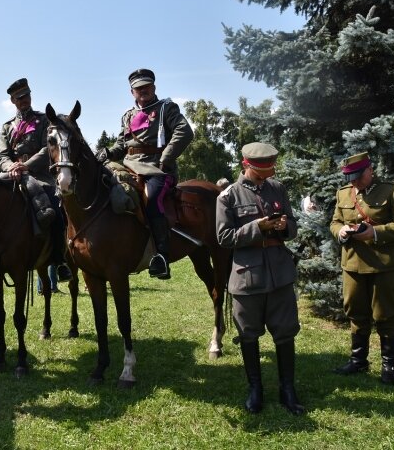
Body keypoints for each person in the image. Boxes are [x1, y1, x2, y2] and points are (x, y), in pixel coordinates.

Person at [215, 142, 305, 415]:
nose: (267, 174)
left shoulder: (278, 189)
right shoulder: (228, 196)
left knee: (285, 331)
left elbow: (293, 225)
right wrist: (257, 227)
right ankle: (256, 389)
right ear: (246, 165)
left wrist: (283, 226)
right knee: (249, 335)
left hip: (279, 272)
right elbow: (224, 238)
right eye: (261, 169)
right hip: (247, 276)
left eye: (269, 168)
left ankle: (287, 389)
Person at [97, 68, 193, 279]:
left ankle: (161, 256)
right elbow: (122, 145)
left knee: (151, 199)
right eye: (138, 88)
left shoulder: (166, 108)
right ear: (132, 92)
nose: (143, 90)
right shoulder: (128, 115)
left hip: (157, 169)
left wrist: (166, 157)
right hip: (129, 166)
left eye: (146, 86)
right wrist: (107, 152)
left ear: (154, 87)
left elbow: (184, 131)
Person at [330, 152, 394, 385]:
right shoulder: (343, 193)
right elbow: (335, 221)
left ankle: (389, 366)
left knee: (386, 314)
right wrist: (341, 232)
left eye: (358, 176)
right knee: (356, 312)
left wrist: (375, 232)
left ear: (370, 170)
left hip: (385, 265)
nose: (355, 182)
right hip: (353, 263)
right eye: (351, 178)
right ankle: (358, 360)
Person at [0, 77, 71, 282]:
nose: (24, 100)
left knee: (55, 209)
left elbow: (48, 148)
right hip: (12, 174)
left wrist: (25, 166)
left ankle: (59, 260)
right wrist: (11, 166)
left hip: (39, 175)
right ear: (12, 101)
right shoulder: (7, 126)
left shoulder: (44, 120)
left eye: (26, 96)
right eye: (19, 98)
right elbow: (2, 155)